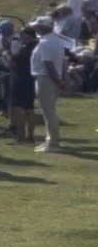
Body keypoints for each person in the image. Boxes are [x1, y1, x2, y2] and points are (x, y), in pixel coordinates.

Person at [31, 15, 70, 152]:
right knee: (49, 111)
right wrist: (62, 79)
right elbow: (63, 62)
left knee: (48, 112)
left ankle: (53, 142)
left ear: (43, 27)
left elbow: (49, 65)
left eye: (37, 25)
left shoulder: (45, 42)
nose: (35, 27)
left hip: (46, 78)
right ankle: (50, 140)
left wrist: (58, 81)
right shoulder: (55, 40)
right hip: (50, 78)